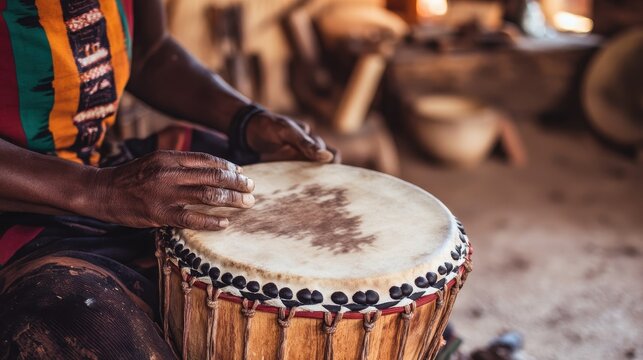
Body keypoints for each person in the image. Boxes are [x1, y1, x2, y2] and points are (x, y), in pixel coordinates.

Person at [0, 0, 334, 358]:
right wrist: (101, 191)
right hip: (20, 198)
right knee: (75, 319)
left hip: (101, 164)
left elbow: (151, 52)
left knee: (291, 185)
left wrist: (247, 120)